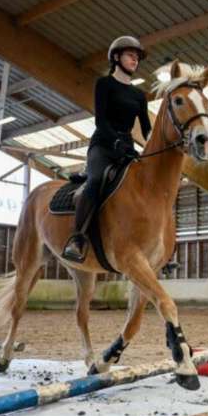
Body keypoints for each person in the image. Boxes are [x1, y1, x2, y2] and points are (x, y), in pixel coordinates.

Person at [62, 36, 151, 262]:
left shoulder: (139, 95)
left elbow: (147, 129)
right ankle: (77, 238)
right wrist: (116, 142)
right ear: (116, 57)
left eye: (137, 57)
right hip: (103, 145)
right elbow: (100, 121)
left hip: (128, 149)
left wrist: (152, 150)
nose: (135, 60)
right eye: (131, 55)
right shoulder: (104, 84)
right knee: (95, 181)